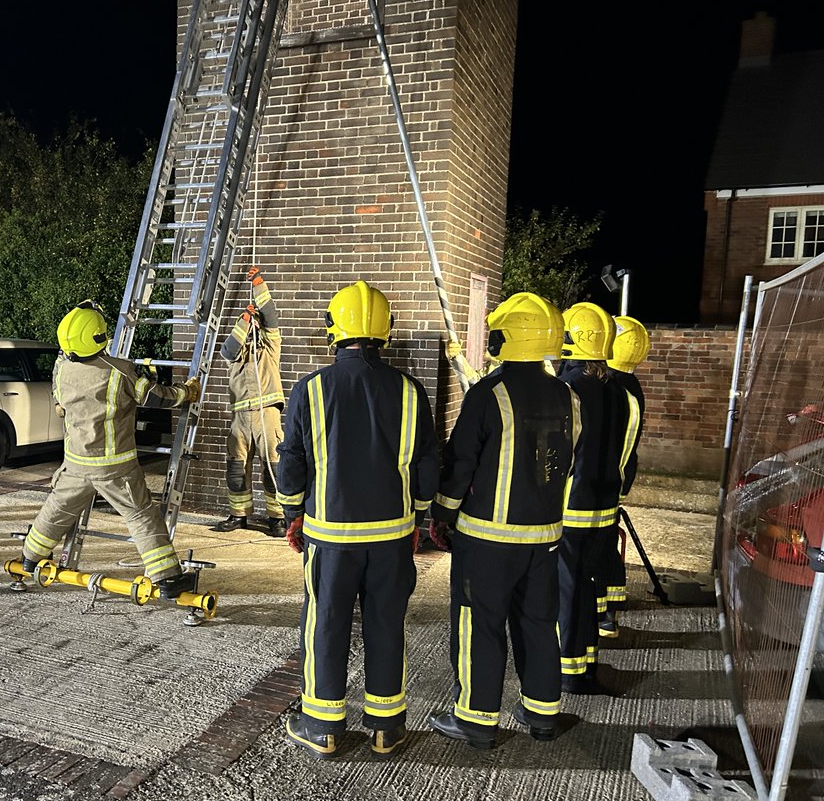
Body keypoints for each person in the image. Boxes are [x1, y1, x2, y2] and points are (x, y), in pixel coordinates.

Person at [277, 280, 438, 760]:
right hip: (392, 538)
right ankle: (387, 728)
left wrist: (292, 513)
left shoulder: (311, 388)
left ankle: (322, 727)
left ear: (334, 329)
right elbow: (427, 466)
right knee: (387, 625)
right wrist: (419, 517)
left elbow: (292, 462)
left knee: (326, 625)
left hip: (330, 538)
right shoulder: (411, 391)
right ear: (385, 330)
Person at [428, 292, 580, 749]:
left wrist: (442, 513)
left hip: (487, 541)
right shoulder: (568, 396)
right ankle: (542, 713)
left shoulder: (488, 394)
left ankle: (476, 720)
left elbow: (461, 463)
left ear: (506, 338)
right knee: (539, 622)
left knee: (481, 625)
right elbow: (568, 462)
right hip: (545, 538)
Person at [20, 301, 200, 587]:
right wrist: (186, 392)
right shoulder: (119, 371)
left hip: (76, 465)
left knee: (58, 508)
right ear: (99, 336)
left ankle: (30, 558)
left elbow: (60, 395)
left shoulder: (63, 371)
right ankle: (167, 578)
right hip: (116, 467)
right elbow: (156, 396)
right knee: (140, 515)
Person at [554, 302, 634, 693]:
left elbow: (555, 453)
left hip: (569, 507)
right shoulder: (620, 391)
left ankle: (566, 671)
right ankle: (586, 666)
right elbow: (626, 451)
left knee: (565, 589)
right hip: (604, 508)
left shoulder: (566, 389)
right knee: (588, 587)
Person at [212, 266, 286, 537]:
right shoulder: (235, 356)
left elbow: (270, 314)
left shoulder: (270, 347)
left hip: (267, 413)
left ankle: (277, 518)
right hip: (240, 417)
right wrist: (244, 320)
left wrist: (258, 284)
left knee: (273, 467)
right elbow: (228, 348)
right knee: (236, 468)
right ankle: (238, 515)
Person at [601, 316, 648, 636]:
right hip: (619, 479)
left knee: (597, 545)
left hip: (601, 482)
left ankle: (603, 611)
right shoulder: (631, 386)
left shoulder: (610, 388)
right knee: (606, 541)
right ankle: (610, 609)